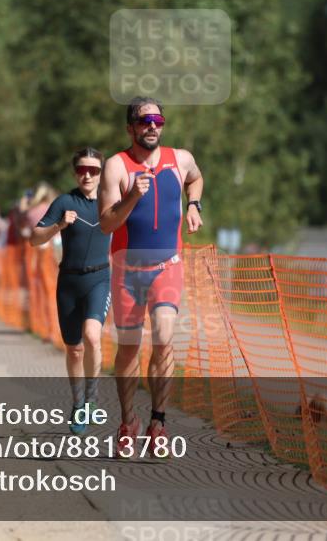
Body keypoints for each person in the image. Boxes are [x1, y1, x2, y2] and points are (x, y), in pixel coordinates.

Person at [99, 97, 203, 455]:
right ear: (130, 128)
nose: (152, 126)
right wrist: (131, 198)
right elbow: (106, 223)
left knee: (163, 337)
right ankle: (128, 422)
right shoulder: (116, 166)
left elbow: (197, 178)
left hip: (167, 266)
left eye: (158, 119)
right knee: (128, 351)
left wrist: (194, 205)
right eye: (144, 122)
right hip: (127, 270)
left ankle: (159, 422)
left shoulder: (181, 159)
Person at [30, 148, 112, 435]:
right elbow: (33, 238)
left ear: (102, 173)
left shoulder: (109, 201)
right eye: (81, 169)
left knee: (92, 336)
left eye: (93, 170)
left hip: (99, 279)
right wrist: (59, 225)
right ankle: (78, 404)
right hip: (68, 281)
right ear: (74, 172)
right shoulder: (64, 201)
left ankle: (92, 400)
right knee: (74, 349)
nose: (87, 175)